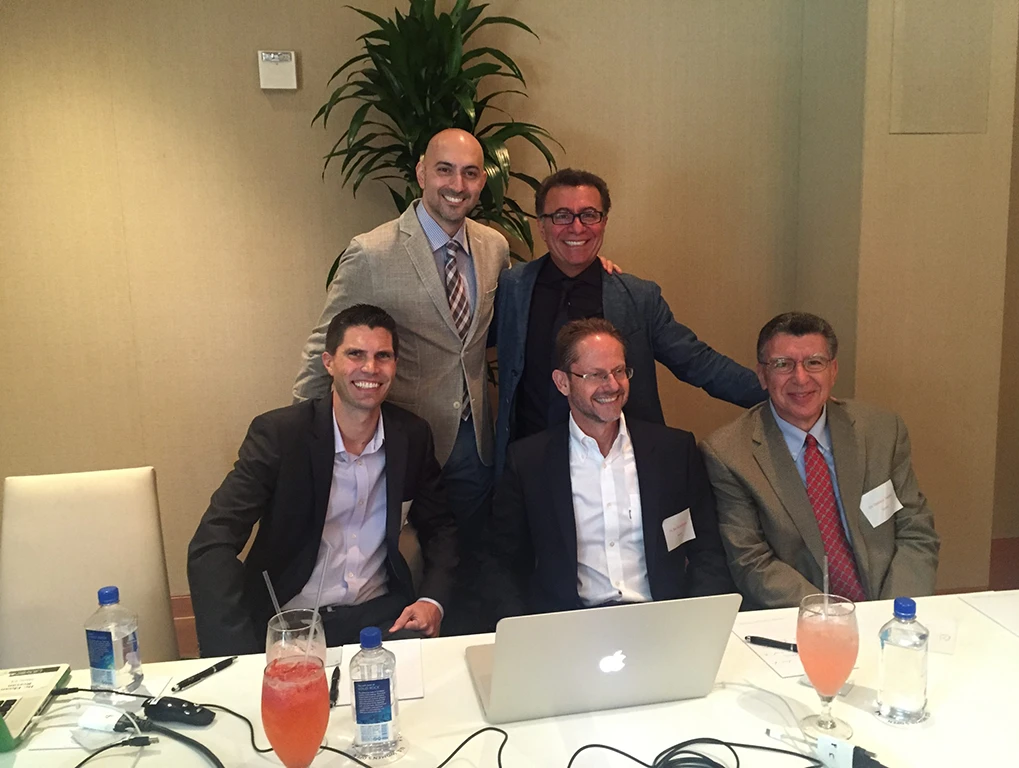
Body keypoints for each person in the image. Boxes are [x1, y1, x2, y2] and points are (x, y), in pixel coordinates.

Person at [189, 305, 457, 656]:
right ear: (329, 362)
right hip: (292, 621)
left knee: (430, 683)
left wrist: (431, 600)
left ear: (395, 365)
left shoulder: (411, 436)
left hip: (380, 617)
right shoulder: (280, 436)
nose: (370, 368)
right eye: (355, 354)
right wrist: (234, 650)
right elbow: (212, 541)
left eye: (383, 356)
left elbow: (441, 527)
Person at [293, 128, 508, 566]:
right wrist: (303, 436)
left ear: (482, 181)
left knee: (471, 563)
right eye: (444, 170)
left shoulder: (495, 247)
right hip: (400, 441)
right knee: (399, 565)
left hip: (474, 444)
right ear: (422, 173)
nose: (457, 184)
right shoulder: (371, 253)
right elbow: (325, 344)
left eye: (470, 173)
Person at [492, 168, 767, 478]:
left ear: (604, 222)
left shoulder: (637, 296)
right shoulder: (512, 287)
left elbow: (697, 361)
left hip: (620, 466)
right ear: (542, 226)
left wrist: (778, 394)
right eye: (562, 216)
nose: (577, 227)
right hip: (531, 464)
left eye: (589, 215)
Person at [482, 318, 736, 620]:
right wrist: (524, 630)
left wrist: (697, 620)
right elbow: (499, 562)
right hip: (570, 626)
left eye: (619, 371)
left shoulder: (674, 452)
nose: (613, 385)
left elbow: (708, 551)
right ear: (563, 383)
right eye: (596, 375)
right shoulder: (529, 461)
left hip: (661, 620)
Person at [700, 311, 940, 609]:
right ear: (762, 375)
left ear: (833, 370)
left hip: (887, 608)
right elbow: (751, 561)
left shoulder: (882, 431)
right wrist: (833, 618)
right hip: (799, 617)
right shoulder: (729, 453)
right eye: (782, 364)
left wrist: (893, 611)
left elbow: (915, 530)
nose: (801, 378)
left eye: (814, 362)